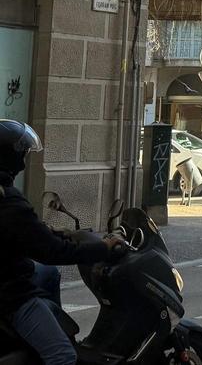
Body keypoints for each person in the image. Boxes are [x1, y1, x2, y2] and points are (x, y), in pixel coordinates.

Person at [0, 120, 124, 365]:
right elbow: (54, 252)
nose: (24, 160)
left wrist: (48, 231)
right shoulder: (9, 203)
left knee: (48, 275)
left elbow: (23, 235)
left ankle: (53, 324)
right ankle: (48, 336)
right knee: (63, 356)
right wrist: (103, 247)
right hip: (10, 295)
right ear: (8, 157)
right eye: (22, 153)